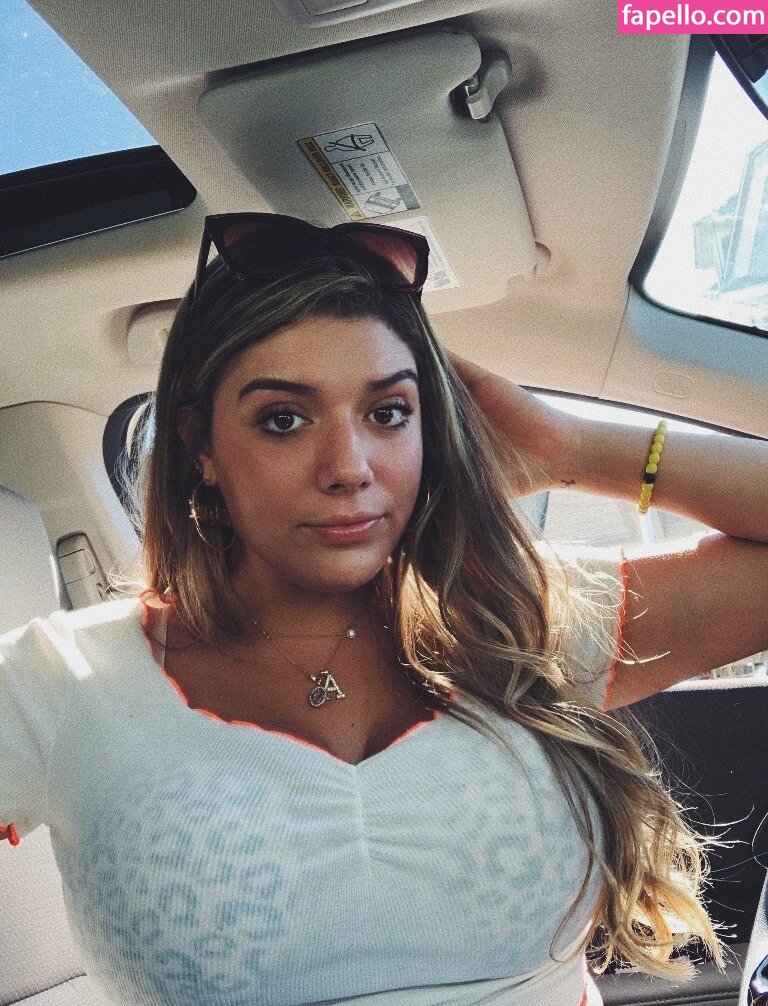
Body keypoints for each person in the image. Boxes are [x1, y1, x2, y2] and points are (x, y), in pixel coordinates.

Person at [1, 212, 767, 1006]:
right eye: (283, 419)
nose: (349, 466)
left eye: (388, 412)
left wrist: (574, 450)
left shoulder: (524, 623)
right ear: (201, 446)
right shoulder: (58, 682)